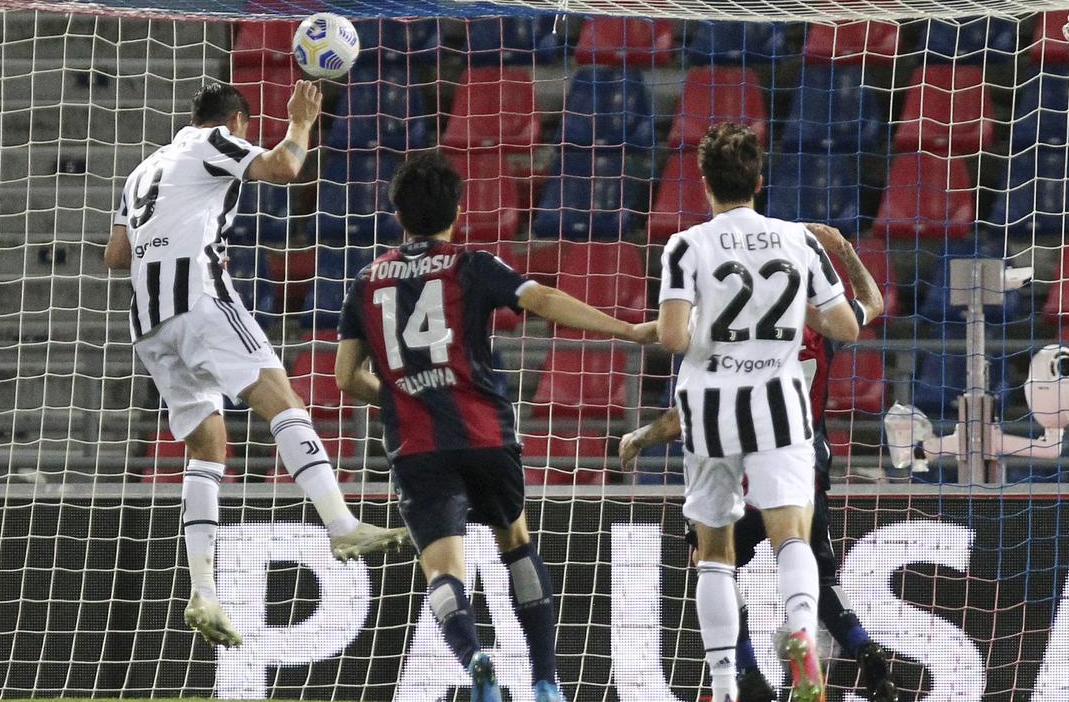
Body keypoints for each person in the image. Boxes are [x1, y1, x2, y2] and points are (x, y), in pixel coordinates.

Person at [332, 151, 656, 702]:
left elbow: (345, 376)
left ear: (398, 215)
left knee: (442, 571)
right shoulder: (471, 263)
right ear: (456, 211)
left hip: (416, 446)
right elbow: (544, 300)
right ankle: (547, 681)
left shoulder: (365, 280)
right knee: (516, 543)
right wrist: (628, 330)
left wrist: (408, 391)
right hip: (484, 433)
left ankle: (476, 658)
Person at [104, 81, 409, 648]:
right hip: (197, 298)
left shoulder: (141, 170)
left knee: (207, 449)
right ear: (238, 120)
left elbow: (116, 255)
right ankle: (342, 526)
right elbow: (284, 168)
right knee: (283, 401)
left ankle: (204, 592)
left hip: (147, 323)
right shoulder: (211, 141)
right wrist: (300, 122)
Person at [621, 223, 900, 702]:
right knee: (811, 564)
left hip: (741, 462)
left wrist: (643, 436)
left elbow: (689, 411)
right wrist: (846, 251)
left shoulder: (735, 333)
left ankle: (744, 674)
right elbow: (871, 304)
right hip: (803, 461)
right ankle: (866, 657)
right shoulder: (817, 327)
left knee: (713, 563)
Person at [653, 122, 862, 702]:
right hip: (780, 402)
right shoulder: (799, 240)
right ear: (760, 182)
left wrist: (705, 323)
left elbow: (672, 339)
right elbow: (845, 325)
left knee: (714, 551)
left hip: (710, 405)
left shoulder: (686, 246)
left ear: (704, 186)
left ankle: (723, 685)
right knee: (791, 537)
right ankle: (801, 637)